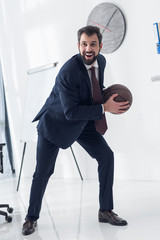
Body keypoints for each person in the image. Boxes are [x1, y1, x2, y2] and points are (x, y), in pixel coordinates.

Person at [22, 25, 129, 235]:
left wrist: (109, 98)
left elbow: (93, 88)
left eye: (93, 44)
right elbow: (70, 111)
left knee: (106, 156)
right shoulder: (68, 72)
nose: (88, 48)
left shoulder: (102, 62)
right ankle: (30, 218)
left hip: (83, 121)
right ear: (78, 46)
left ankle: (105, 210)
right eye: (84, 44)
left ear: (100, 46)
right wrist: (103, 108)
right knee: (43, 172)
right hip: (55, 124)